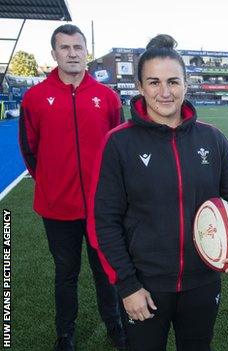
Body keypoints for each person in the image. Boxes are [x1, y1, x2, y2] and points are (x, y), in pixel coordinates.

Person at [87, 34, 228, 351]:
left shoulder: (212, 138)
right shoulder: (119, 143)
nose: (165, 92)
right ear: (140, 87)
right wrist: (127, 286)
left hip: (202, 279)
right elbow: (104, 221)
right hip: (145, 283)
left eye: (173, 81)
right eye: (154, 82)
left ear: (186, 84)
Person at [18, 24, 126, 351]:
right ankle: (65, 334)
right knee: (65, 274)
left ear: (86, 52)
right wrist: (51, 184)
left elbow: (118, 149)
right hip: (57, 208)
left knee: (106, 273)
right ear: (54, 54)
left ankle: (115, 326)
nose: (72, 53)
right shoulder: (34, 98)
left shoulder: (106, 97)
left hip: (101, 208)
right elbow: (29, 149)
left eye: (78, 47)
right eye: (65, 48)